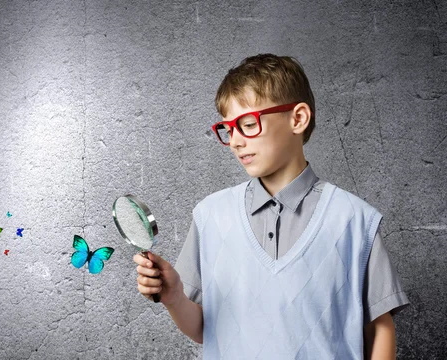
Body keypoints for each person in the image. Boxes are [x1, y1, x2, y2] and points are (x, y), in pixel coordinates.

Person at [133, 54, 409, 359]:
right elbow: (203, 329)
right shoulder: (210, 216)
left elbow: (380, 329)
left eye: (248, 124)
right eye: (228, 129)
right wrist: (174, 298)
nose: (236, 140)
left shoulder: (355, 220)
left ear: (298, 118)